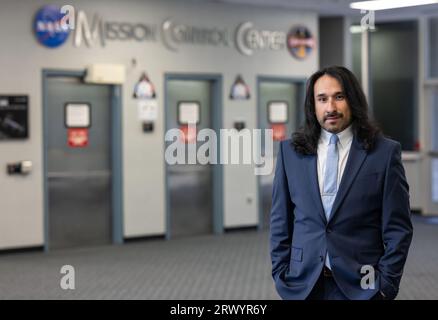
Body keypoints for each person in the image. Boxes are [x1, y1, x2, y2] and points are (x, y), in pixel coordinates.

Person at [269, 66, 413, 300]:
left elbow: (398, 229)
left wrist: (386, 285)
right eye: (322, 99)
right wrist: (280, 273)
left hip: (362, 287)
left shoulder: (384, 154)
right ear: (313, 105)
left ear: (352, 100)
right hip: (303, 285)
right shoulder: (290, 153)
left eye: (339, 97)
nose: (331, 108)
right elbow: (280, 221)